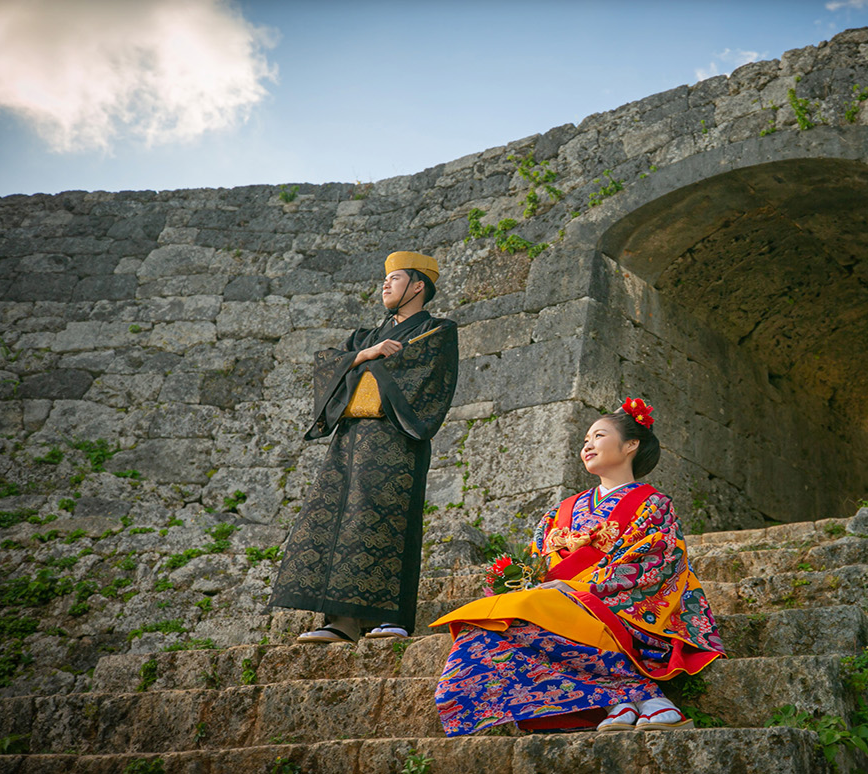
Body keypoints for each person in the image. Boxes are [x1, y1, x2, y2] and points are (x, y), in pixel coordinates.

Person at [432, 398, 725, 736]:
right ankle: (630, 697)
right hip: (556, 602)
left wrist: (577, 588)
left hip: (622, 606)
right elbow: (538, 561)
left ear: (631, 444)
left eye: (598, 436)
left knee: (522, 619)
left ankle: (628, 699)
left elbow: (655, 561)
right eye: (585, 439)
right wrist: (522, 581)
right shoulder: (563, 509)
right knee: (484, 628)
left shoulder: (653, 504)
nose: (588, 444)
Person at [269, 251, 458, 643]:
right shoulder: (365, 338)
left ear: (418, 286)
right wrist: (366, 355)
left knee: (384, 520)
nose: (385, 285)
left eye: (395, 278)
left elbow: (426, 376)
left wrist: (366, 366)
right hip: (350, 438)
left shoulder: (438, 331)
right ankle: (342, 622)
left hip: (395, 438)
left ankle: (391, 618)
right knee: (340, 520)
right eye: (385, 280)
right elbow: (329, 364)